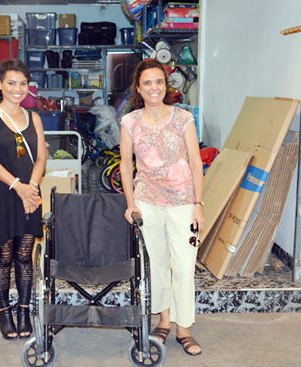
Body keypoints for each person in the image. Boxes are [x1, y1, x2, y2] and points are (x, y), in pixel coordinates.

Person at [120, 59, 204, 356]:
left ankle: (185, 327)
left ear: (165, 85)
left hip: (182, 201)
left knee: (183, 264)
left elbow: (196, 162)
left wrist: (198, 204)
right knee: (157, 263)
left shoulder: (183, 118)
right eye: (147, 83)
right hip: (147, 201)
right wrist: (130, 203)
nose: (154, 87)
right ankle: (164, 321)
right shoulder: (130, 121)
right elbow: (126, 164)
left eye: (158, 81)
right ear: (138, 88)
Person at [0, 59, 47, 340]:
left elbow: (41, 157)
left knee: (24, 255)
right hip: (2, 195)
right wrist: (18, 186)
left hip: (29, 194)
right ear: (0, 85)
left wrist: (31, 187)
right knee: (4, 255)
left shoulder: (35, 118)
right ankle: (4, 312)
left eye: (22, 83)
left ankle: (24, 311)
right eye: (11, 83)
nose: (17, 89)